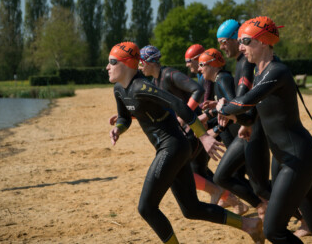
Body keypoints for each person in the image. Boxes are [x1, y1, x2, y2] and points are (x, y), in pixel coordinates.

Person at [216, 17, 312, 243]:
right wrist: (236, 117)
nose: (241, 46)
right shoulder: (261, 74)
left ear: (263, 42)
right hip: (289, 157)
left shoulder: (277, 71)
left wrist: (224, 107)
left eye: (245, 41)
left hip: (299, 157)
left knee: (274, 230)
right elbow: (248, 112)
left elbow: (244, 102)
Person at [107, 41, 264, 244]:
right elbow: (124, 117)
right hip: (172, 148)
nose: (107, 67)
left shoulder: (142, 86)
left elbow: (179, 104)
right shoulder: (119, 90)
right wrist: (118, 129)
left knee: (146, 207)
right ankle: (248, 225)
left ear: (127, 64)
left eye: (111, 62)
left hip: (172, 146)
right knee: (191, 209)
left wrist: (204, 136)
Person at [139, 45, 248, 214]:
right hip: (189, 129)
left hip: (195, 128)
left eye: (140, 63)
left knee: (179, 169)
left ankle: (225, 194)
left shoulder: (169, 74)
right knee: (199, 171)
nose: (139, 67)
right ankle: (235, 202)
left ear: (149, 62)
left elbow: (198, 89)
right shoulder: (155, 81)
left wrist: (185, 115)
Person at [213, 19, 271, 220]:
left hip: (253, 126)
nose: (221, 46)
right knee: (229, 176)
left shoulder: (246, 63)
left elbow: (244, 99)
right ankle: (264, 208)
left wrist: (225, 107)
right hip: (247, 125)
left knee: (261, 185)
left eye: (224, 41)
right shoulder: (241, 62)